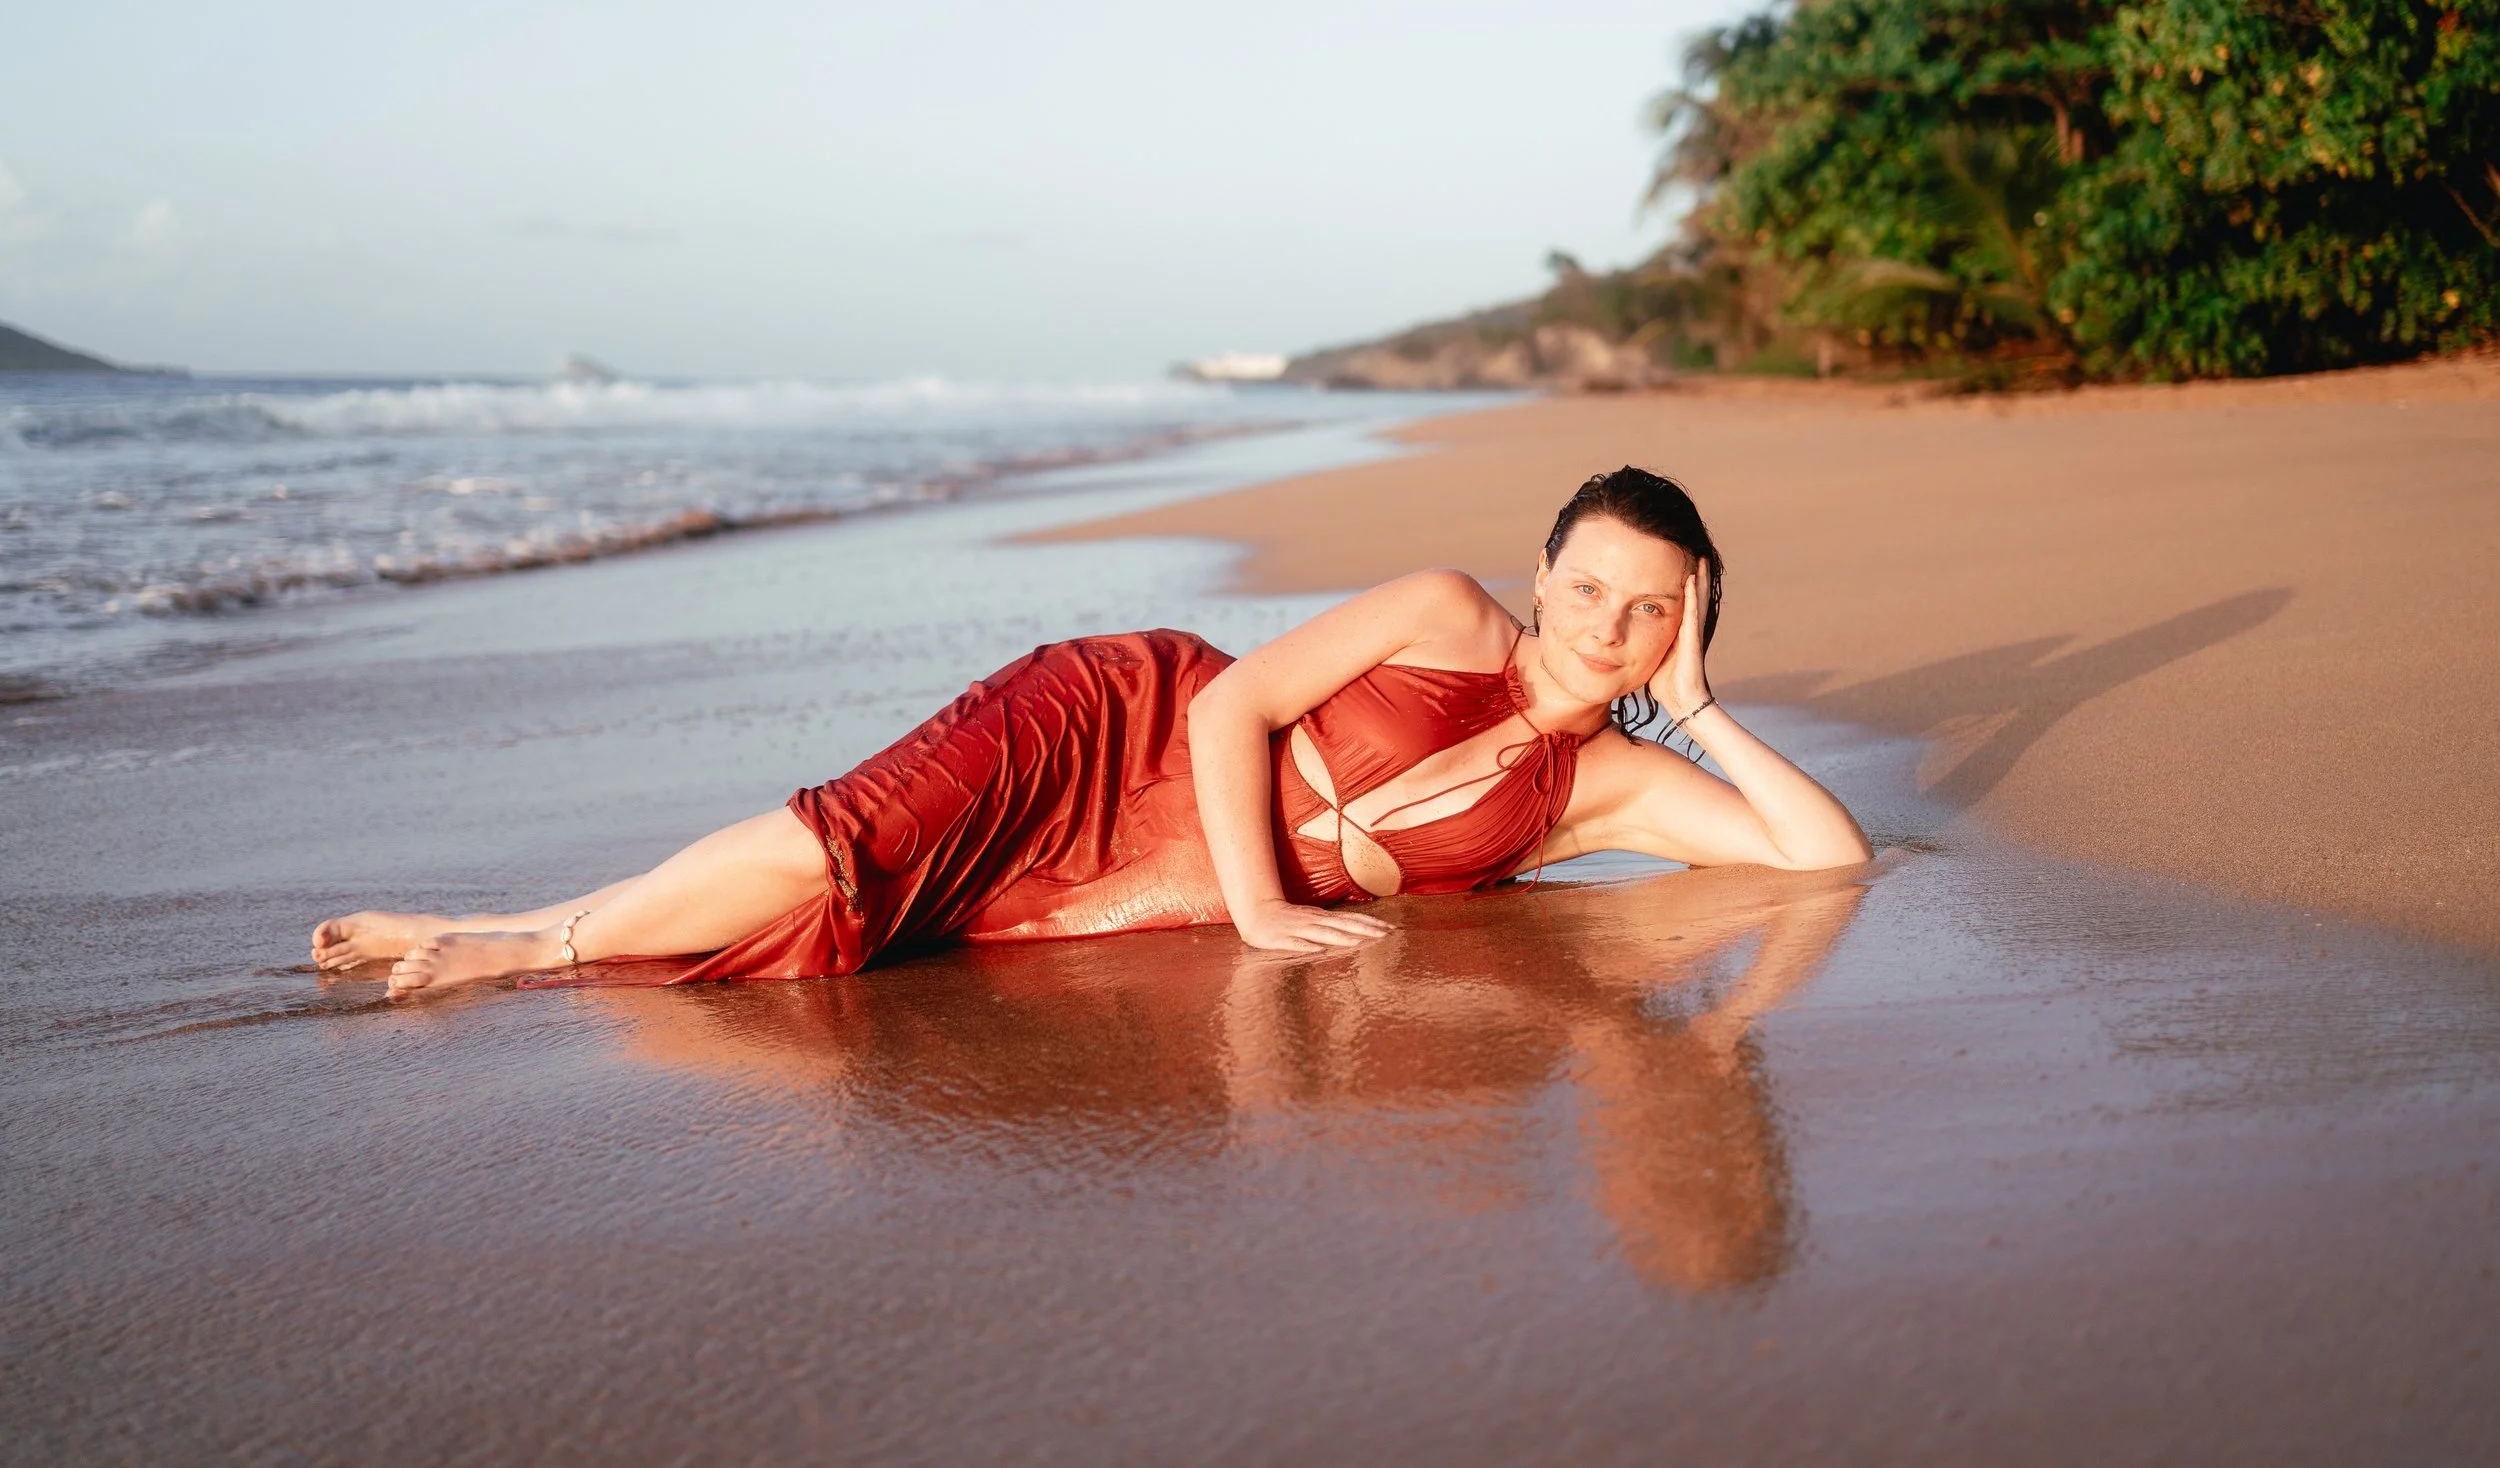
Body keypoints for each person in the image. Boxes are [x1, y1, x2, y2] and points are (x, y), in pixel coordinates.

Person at [310, 467, 1872, 999]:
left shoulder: (1609, 785)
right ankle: (523, 944)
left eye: (1650, 609)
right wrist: (1263, 911)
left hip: (1160, 879)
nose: (1607, 624)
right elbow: (1232, 702)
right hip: (1119, 728)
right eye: (1588, 586)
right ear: (1543, 574)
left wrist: (1704, 711)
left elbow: (1825, 860)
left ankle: (519, 928)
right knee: (855, 844)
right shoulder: (1446, 611)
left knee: (881, 926)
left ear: (1686, 620)